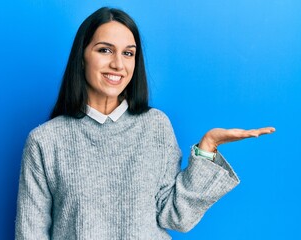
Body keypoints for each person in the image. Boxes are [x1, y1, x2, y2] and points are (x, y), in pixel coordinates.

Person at [15, 7, 275, 240]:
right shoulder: (45, 141)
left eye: (128, 53)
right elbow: (31, 233)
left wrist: (208, 149)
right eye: (105, 50)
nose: (118, 64)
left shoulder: (156, 127)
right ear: (82, 56)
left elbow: (175, 217)